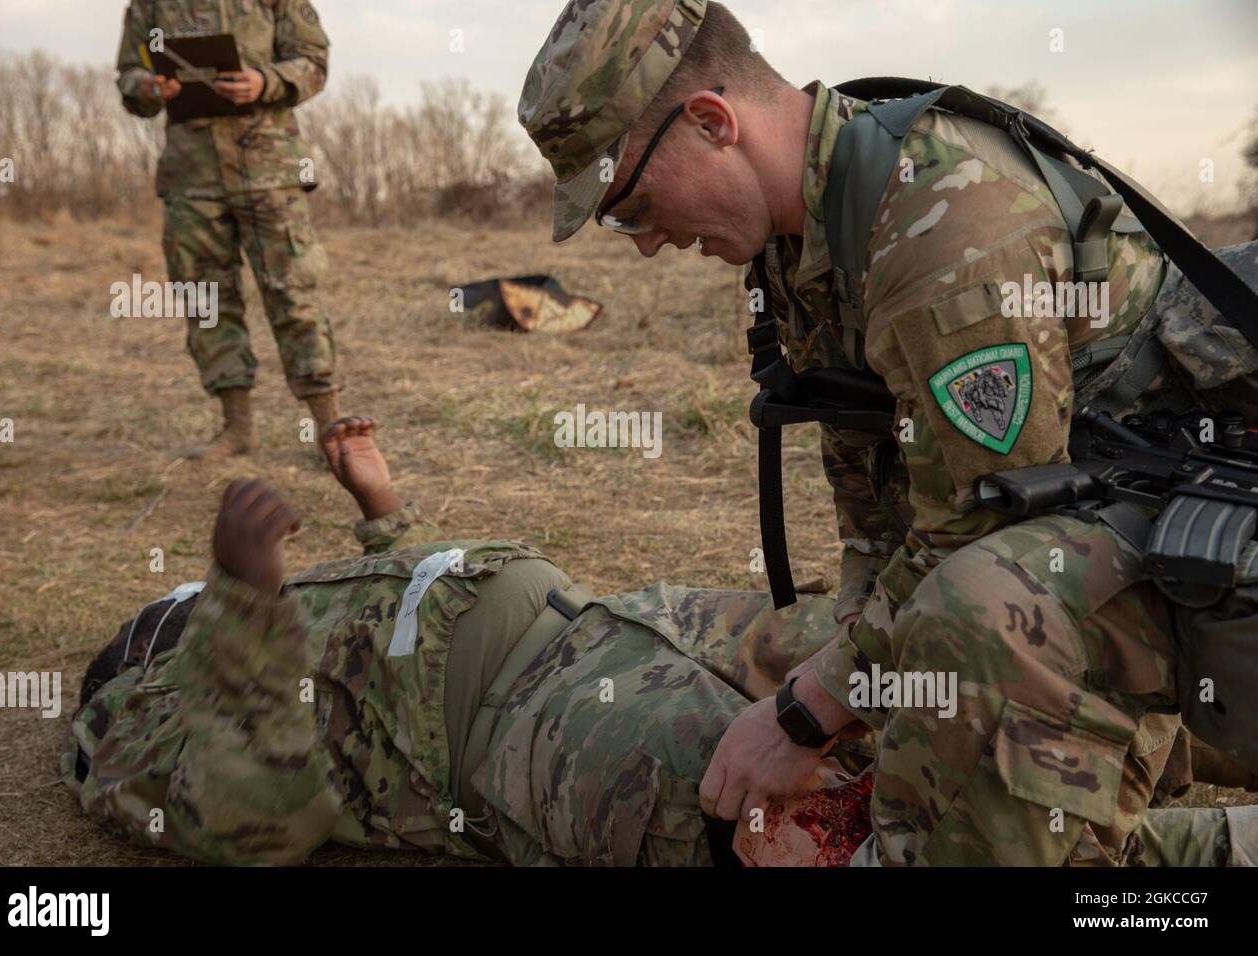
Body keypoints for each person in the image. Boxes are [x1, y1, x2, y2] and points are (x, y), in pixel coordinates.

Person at [517, 0, 1258, 864]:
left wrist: (805, 716)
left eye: (633, 206)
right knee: (838, 652)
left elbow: (977, 528)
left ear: (713, 123)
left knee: (964, 619)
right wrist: (850, 694)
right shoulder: (810, 236)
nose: (645, 244)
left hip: (1195, 544)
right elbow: (878, 512)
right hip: (1083, 533)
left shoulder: (945, 227)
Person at [62, 417, 1257, 867]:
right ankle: (1205, 848)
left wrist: (381, 511)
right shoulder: (140, 722)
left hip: (619, 618)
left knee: (939, 648)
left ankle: (1214, 735)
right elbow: (260, 818)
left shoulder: (256, 612)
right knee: (828, 828)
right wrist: (244, 603)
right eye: (179, 604)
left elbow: (391, 606)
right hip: (529, 729)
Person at [116, 0, 342, 459]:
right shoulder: (150, 5)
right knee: (206, 301)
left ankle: (331, 432)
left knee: (293, 294)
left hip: (269, 172)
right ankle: (237, 428)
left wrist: (266, 81)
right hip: (191, 176)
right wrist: (149, 86)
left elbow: (314, 61)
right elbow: (128, 73)